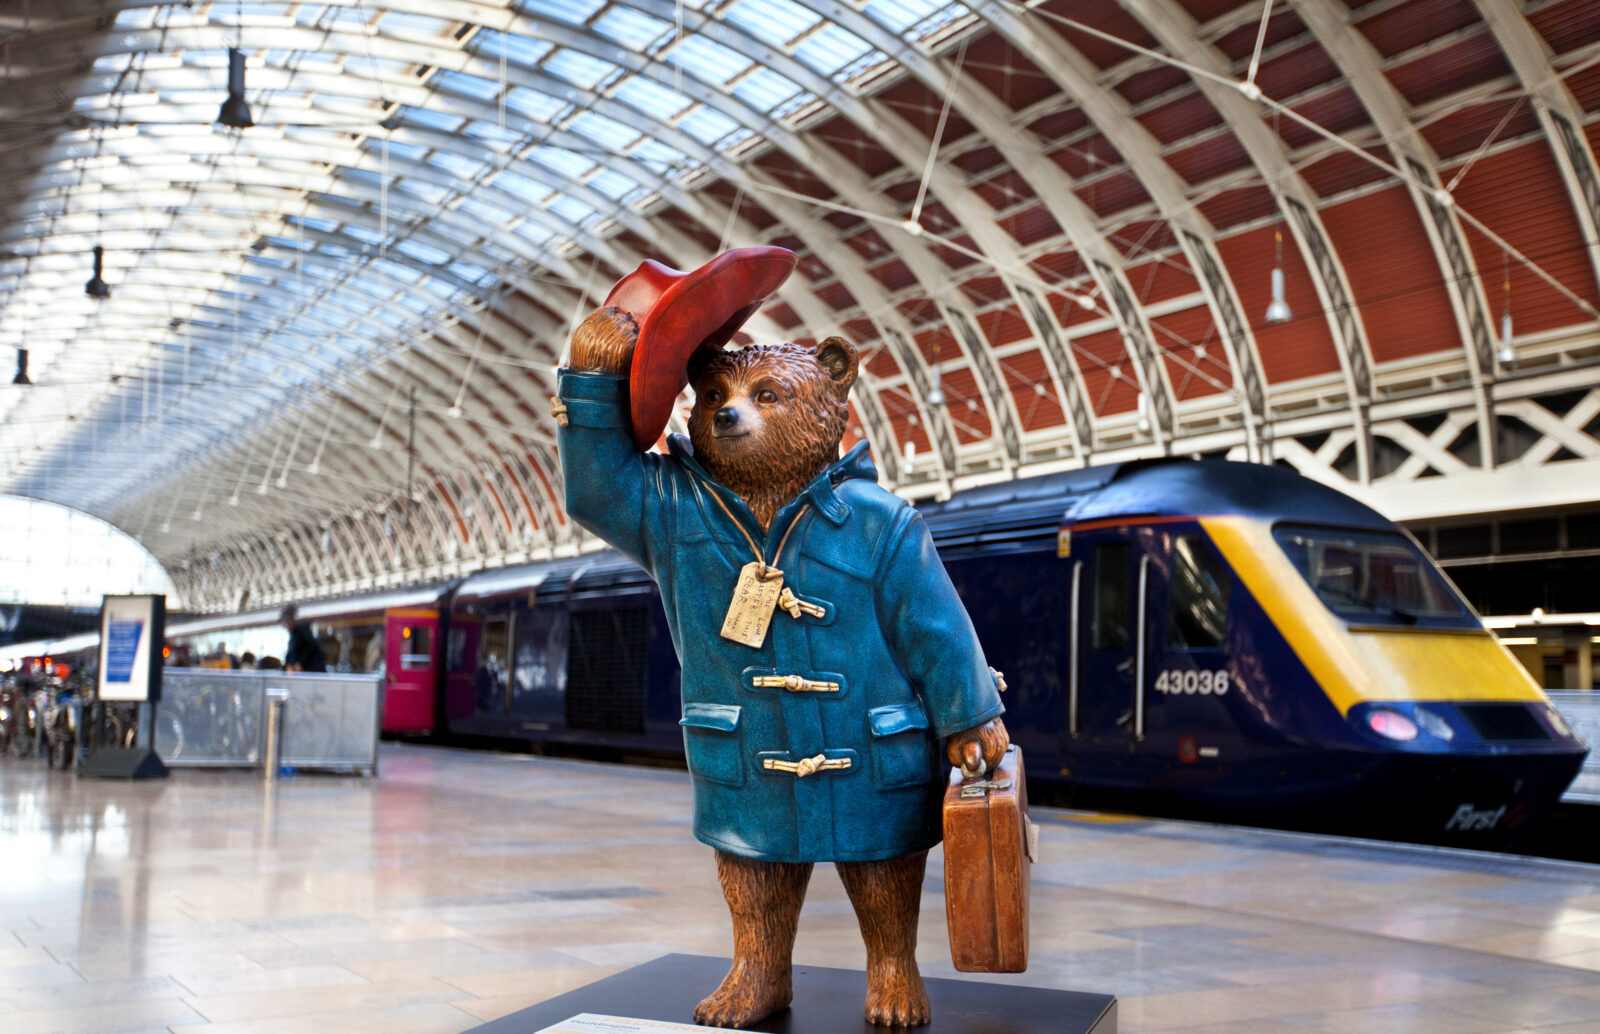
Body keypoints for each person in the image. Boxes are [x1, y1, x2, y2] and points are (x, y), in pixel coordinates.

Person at [280, 605, 326, 673]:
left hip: (311, 672)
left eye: (286, 622)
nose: (285, 626)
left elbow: (311, 647)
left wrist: (300, 663)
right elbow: (291, 654)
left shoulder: (302, 630)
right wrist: (288, 665)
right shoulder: (293, 634)